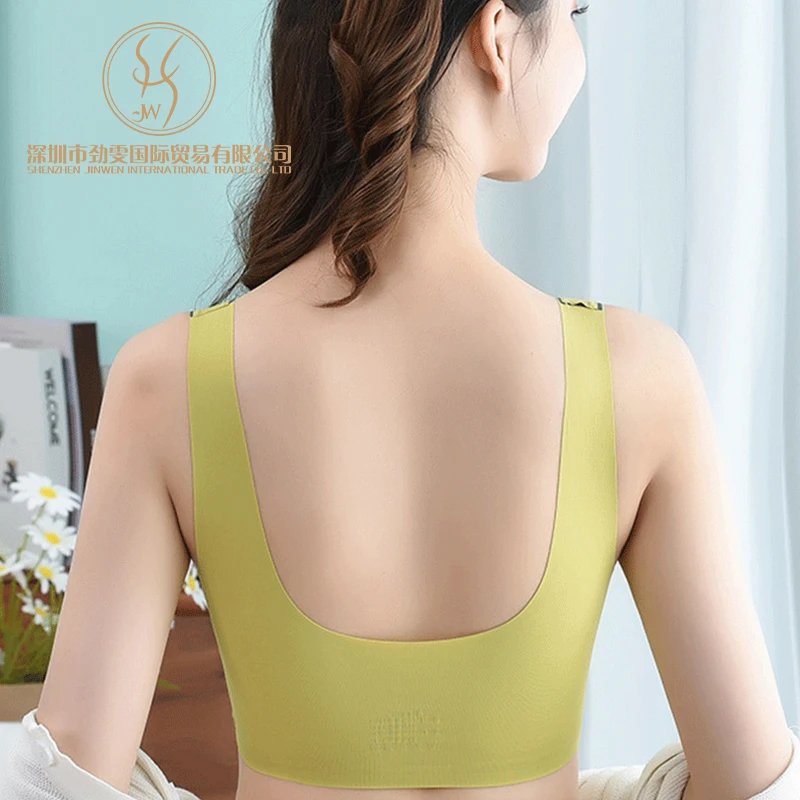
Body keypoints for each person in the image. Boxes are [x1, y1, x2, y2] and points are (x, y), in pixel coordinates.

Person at [7, 1, 798, 799]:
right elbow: (753, 782)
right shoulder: (640, 375)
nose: (576, 48)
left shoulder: (168, 378)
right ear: (497, 36)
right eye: (573, 13)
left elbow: (64, 781)